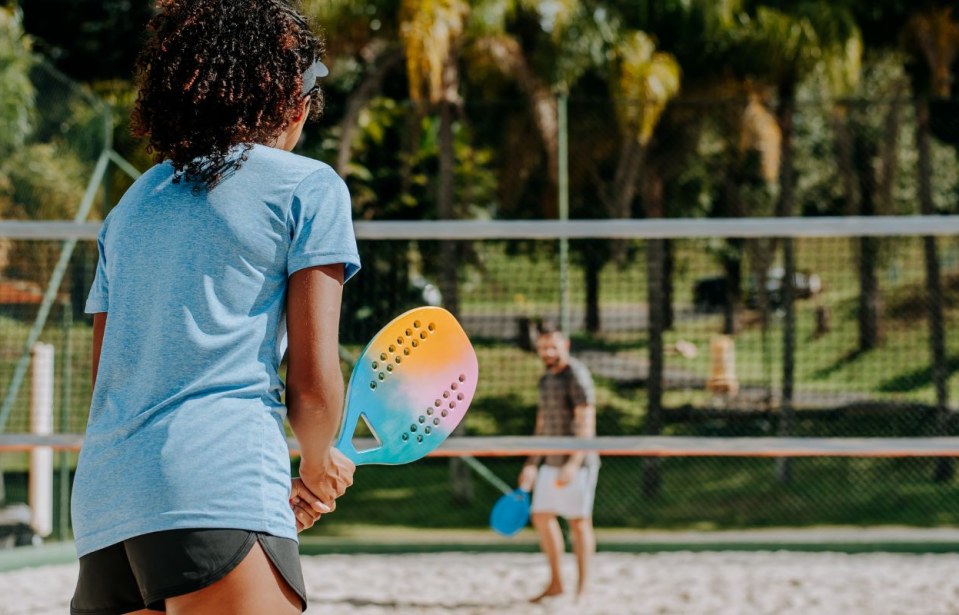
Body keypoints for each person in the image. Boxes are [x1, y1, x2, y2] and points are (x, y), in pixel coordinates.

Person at [69, 2, 360, 613]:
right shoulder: (307, 186)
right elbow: (311, 385)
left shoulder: (130, 206)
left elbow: (108, 382)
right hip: (215, 483)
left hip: (106, 505)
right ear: (292, 101)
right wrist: (315, 464)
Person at [518, 321, 600, 602]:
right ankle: (556, 583)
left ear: (564, 345)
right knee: (541, 517)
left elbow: (586, 421)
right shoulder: (546, 379)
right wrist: (531, 463)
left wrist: (573, 462)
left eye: (552, 346)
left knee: (578, 523)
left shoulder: (576, 374)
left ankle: (583, 588)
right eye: (543, 347)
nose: (547, 352)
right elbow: (541, 425)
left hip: (577, 462)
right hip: (549, 461)